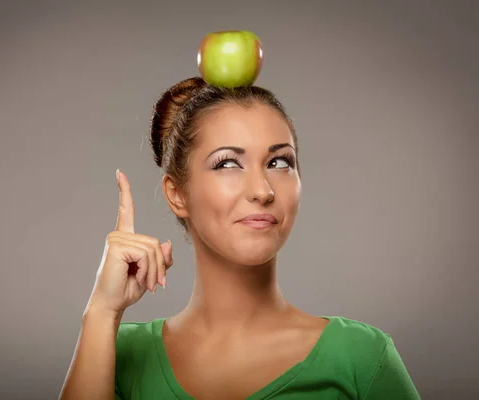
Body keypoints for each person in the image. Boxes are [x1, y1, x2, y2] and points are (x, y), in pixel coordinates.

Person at [59, 77, 421, 399]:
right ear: (176, 194)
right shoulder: (116, 354)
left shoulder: (361, 357)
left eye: (280, 163)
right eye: (228, 163)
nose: (262, 190)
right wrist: (101, 313)